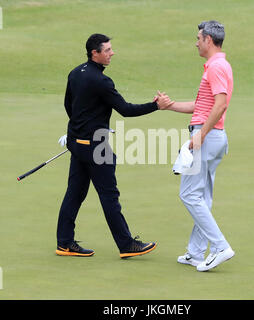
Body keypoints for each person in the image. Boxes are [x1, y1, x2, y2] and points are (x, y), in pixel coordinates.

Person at [56, 33, 173, 259]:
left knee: (75, 193)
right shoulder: (101, 81)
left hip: (77, 144)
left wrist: (83, 128)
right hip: (95, 147)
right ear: (95, 53)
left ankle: (64, 242)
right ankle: (127, 244)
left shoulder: (75, 73)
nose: (112, 53)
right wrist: (156, 105)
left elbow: (69, 106)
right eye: (107, 50)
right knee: (109, 196)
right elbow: (126, 110)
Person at [160, 21, 235, 271]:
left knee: (189, 194)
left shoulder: (216, 67)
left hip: (208, 136)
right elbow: (201, 105)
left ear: (209, 40)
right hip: (213, 136)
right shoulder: (217, 66)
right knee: (202, 196)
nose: (196, 42)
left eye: (198, 38)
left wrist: (200, 135)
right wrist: (169, 105)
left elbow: (221, 105)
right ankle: (194, 252)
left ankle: (220, 247)